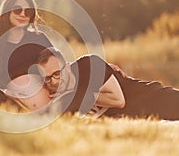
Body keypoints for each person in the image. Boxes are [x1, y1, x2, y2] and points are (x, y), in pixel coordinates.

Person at [37, 47, 179, 120]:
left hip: (154, 98)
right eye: (48, 78)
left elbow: (118, 100)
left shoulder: (89, 65)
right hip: (139, 117)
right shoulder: (57, 94)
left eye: (57, 74)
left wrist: (81, 96)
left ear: (67, 66)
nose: (54, 81)